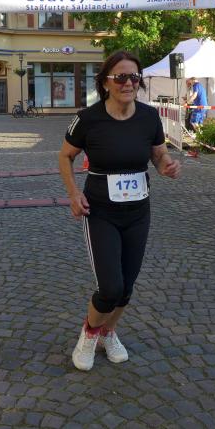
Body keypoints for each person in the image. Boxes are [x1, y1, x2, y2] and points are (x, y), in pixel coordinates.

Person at [59, 50, 182, 372]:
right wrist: (73, 194)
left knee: (126, 287)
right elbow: (65, 156)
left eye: (134, 77)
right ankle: (89, 333)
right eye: (121, 77)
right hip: (100, 212)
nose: (128, 83)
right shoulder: (89, 119)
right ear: (105, 82)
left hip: (138, 212)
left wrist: (167, 166)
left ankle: (108, 333)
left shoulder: (149, 117)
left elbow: (158, 154)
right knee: (110, 287)